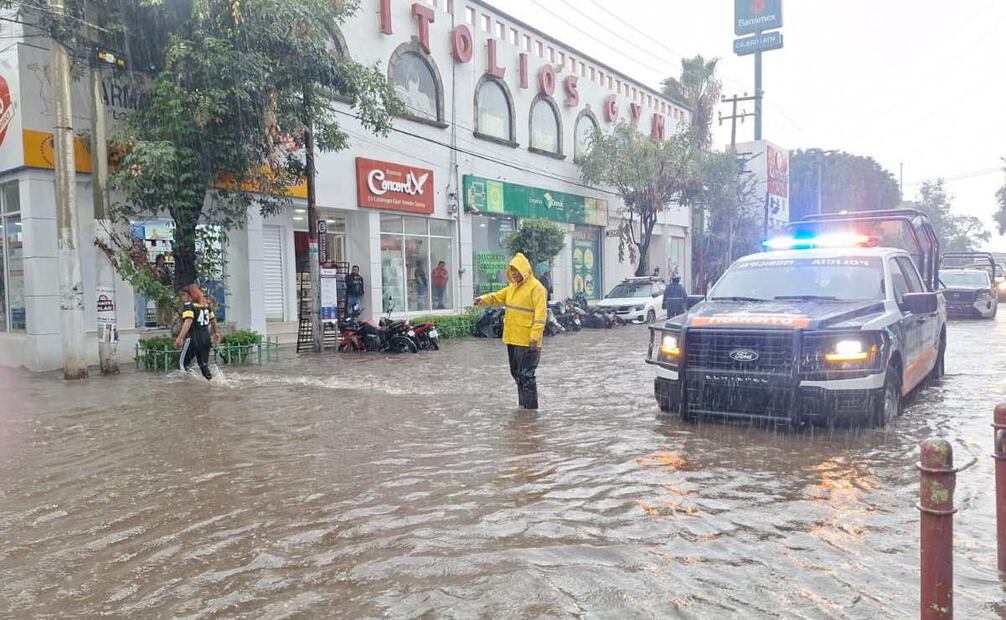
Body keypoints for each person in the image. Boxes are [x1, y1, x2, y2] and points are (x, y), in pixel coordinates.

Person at [475, 252, 547, 409]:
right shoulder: (512, 288)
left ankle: (530, 412)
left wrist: (535, 337)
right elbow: (497, 296)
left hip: (528, 341)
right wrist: (483, 299)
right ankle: (523, 407)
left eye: (517, 270)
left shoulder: (537, 289)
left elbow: (541, 316)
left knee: (526, 376)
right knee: (516, 374)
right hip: (513, 339)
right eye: (512, 270)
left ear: (525, 270)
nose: (514, 273)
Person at [174, 283, 220, 380]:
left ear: (191, 296)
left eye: (184, 295)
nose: (182, 298)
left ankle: (184, 387)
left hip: (193, 339)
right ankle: (211, 381)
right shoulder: (206, 305)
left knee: (181, 363)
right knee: (203, 364)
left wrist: (180, 337)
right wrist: (216, 332)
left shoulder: (189, 306)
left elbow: (188, 321)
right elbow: (213, 320)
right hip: (206, 338)